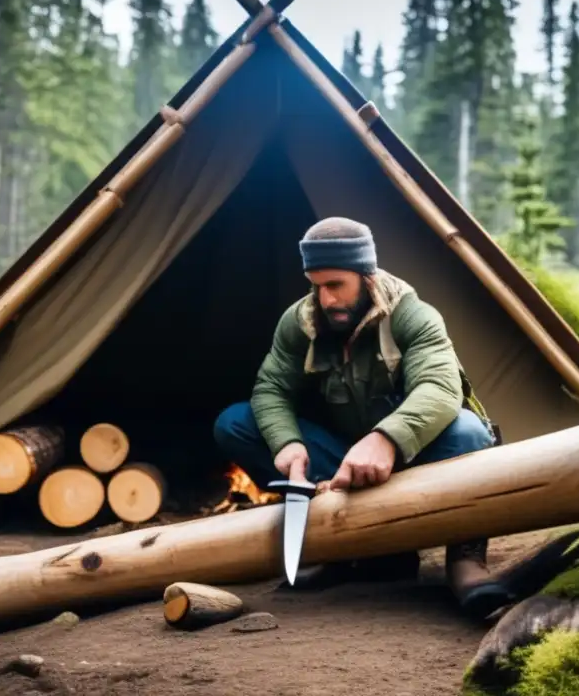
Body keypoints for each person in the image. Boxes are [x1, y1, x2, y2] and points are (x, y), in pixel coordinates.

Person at [213, 216, 513, 620]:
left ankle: (466, 559)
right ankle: (342, 548)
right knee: (235, 423)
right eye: (317, 286)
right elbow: (271, 390)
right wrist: (289, 444)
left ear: (366, 275)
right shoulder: (299, 322)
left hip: (411, 460)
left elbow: (442, 390)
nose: (326, 299)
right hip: (338, 466)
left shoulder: (412, 315)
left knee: (469, 432)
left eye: (336, 285)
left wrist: (385, 440)